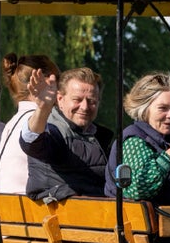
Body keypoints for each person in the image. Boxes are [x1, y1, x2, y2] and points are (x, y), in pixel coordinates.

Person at [104, 72, 170, 205]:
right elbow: (138, 189)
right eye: (163, 108)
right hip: (148, 224)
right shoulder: (133, 141)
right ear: (144, 108)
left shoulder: (167, 141)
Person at [20, 67, 114, 202]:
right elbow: (32, 142)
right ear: (60, 99)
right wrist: (42, 108)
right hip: (65, 216)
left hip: (100, 211)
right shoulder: (54, 131)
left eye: (92, 101)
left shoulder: (100, 136)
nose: (85, 107)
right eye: (77, 99)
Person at [0, 53, 60, 194]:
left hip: (5, 201)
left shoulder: (12, 122)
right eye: (57, 80)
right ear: (40, 82)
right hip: (26, 206)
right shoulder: (42, 120)